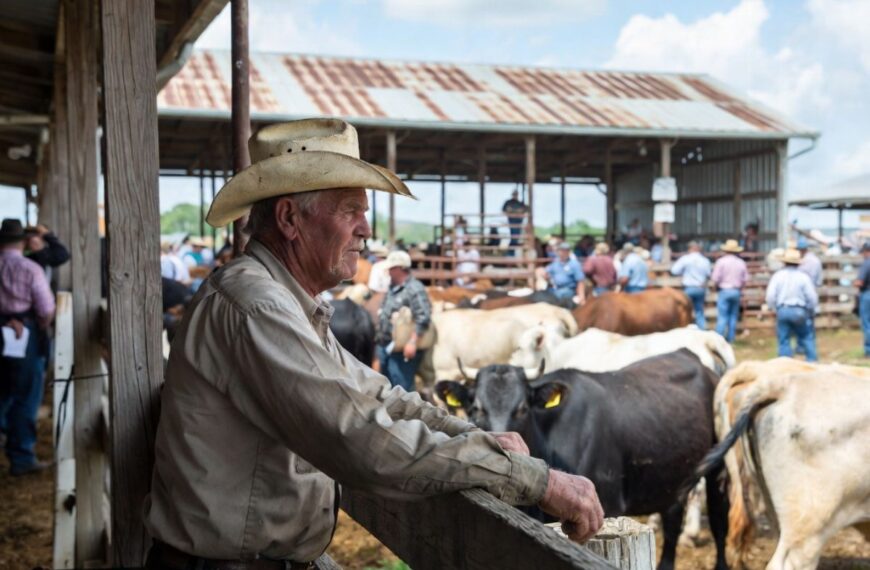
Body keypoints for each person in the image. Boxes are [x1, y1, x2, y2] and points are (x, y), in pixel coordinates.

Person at [143, 119, 603, 569]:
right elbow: (358, 437)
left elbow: (378, 396)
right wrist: (530, 479)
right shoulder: (257, 306)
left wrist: (473, 436)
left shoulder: (285, 301)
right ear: (289, 219)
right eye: (351, 211)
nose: (366, 229)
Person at [0, 218, 55, 476]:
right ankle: (21, 456)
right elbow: (46, 309)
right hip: (24, 333)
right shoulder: (30, 268)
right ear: (22, 242)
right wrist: (37, 326)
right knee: (26, 395)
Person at [375, 250, 431, 391]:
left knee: (401, 388)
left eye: (391, 268)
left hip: (401, 348)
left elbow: (423, 317)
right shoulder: (392, 287)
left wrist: (412, 342)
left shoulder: (414, 288)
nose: (388, 272)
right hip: (386, 344)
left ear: (400, 268)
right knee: (386, 386)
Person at [766, 249, 818, 361]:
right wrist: (811, 310)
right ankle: (812, 362)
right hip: (800, 310)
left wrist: (773, 308)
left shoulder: (778, 276)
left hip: (783, 309)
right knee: (806, 337)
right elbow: (812, 297)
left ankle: (785, 364)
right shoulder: (803, 277)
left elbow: (770, 295)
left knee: (784, 339)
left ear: (784, 262)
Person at [710, 240, 748, 342]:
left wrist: (715, 287)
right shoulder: (741, 262)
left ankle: (718, 339)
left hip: (724, 290)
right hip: (736, 291)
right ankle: (731, 339)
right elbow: (745, 279)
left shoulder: (721, 261)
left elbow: (715, 278)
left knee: (722, 316)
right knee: (733, 316)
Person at [670, 241, 712, 329]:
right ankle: (702, 330)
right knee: (699, 311)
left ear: (690, 248)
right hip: (700, 288)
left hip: (689, 288)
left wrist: (683, 272)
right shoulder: (705, 260)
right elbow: (708, 274)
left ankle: (685, 329)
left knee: (685, 310)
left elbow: (674, 270)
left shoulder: (685, 259)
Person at [796, 237, 823, 353]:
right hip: (811, 292)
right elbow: (819, 281)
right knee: (809, 322)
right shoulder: (816, 261)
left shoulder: (800, 262)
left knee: (801, 322)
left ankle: (801, 347)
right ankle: (810, 349)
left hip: (801, 294)